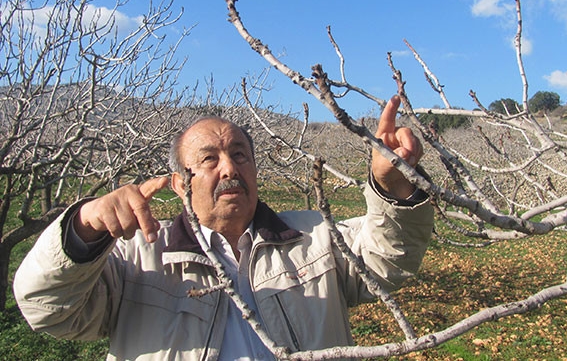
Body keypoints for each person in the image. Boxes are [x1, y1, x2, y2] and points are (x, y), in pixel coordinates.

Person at [14, 95, 434, 360]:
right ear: (180, 183)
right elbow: (46, 308)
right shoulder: (135, 259)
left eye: (239, 154)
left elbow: (387, 260)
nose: (230, 168)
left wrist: (391, 187)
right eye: (210, 159)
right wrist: (84, 228)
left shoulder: (317, 237)